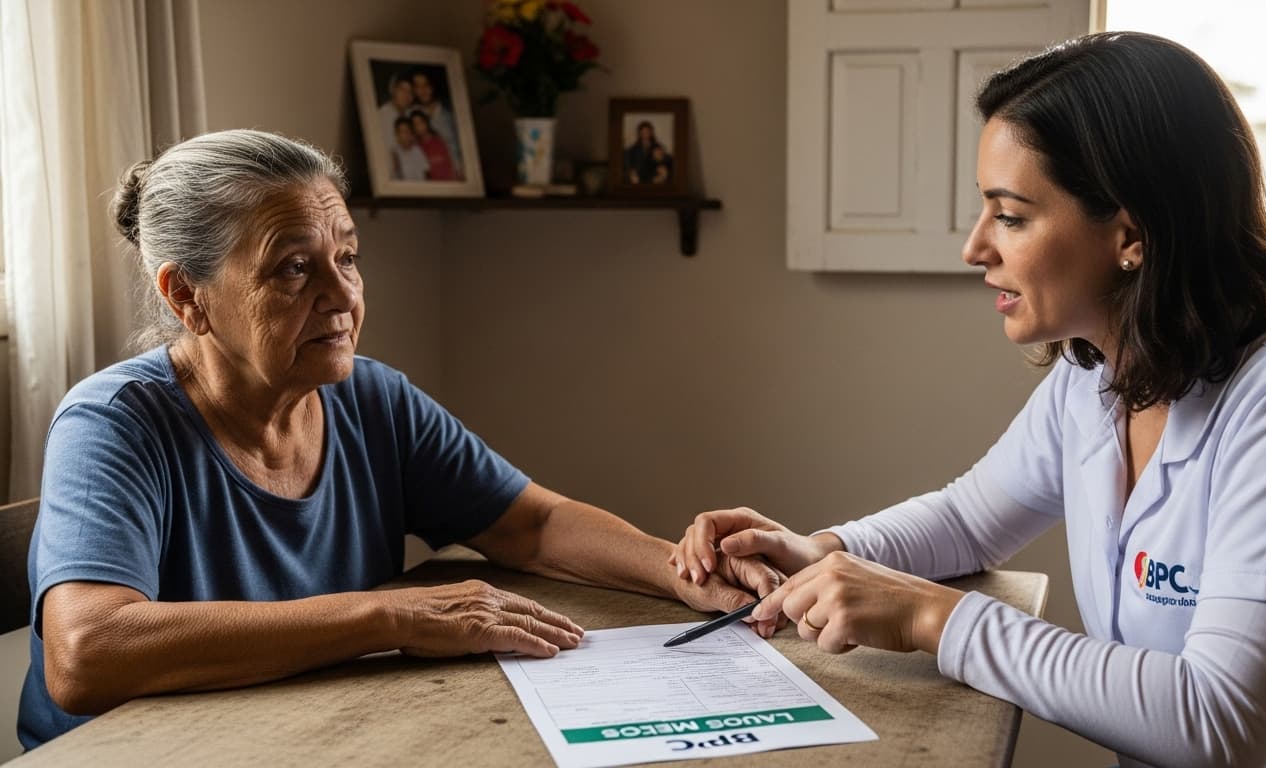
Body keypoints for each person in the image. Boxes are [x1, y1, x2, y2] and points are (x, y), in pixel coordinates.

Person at [671, 32, 1266, 767]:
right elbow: (967, 521)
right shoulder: (1095, 376)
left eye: (1011, 216)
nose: (975, 248)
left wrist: (931, 616)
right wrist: (821, 552)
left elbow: (1218, 723)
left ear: (1131, 234)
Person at [19, 129, 780, 750]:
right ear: (187, 295)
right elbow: (87, 653)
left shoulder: (371, 398)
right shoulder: (113, 423)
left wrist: (680, 573)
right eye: (294, 268)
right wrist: (390, 617)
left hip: (303, 735)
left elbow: (531, 524)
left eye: (347, 257)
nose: (343, 295)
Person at [410, 69, 462, 176]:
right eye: (418, 86)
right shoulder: (410, 115)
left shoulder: (450, 113)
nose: (422, 90)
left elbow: (458, 147)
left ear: (432, 87)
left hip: (455, 173)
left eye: (426, 85)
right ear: (414, 90)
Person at [409, 109, 459, 181]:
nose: (418, 127)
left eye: (420, 122)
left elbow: (449, 165)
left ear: (426, 123)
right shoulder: (416, 146)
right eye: (415, 124)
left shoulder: (438, 141)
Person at [377, 72, 416, 156]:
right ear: (393, 90)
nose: (406, 95)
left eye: (410, 92)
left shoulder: (411, 114)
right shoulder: (382, 115)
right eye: (402, 90)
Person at [624, 120, 659, 184]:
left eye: (647, 131)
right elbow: (629, 165)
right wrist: (631, 173)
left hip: (653, 178)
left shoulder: (657, 147)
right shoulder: (633, 149)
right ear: (639, 133)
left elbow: (663, 161)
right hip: (638, 179)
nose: (645, 134)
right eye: (643, 132)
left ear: (651, 132)